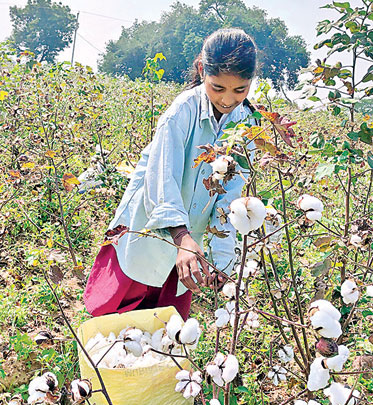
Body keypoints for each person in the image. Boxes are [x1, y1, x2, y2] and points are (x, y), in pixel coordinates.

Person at [83, 28, 258, 320]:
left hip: (192, 241)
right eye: (218, 88)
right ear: (202, 70)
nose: (228, 99)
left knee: (166, 329)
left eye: (239, 90)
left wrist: (222, 261)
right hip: (149, 227)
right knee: (117, 317)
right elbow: (161, 180)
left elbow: (230, 200)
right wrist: (181, 236)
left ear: (251, 82)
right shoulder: (182, 112)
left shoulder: (244, 127)